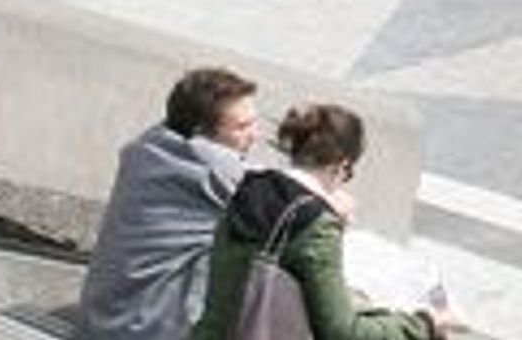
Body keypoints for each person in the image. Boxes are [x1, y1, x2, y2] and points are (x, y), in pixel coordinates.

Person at [189, 104, 457, 340]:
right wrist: (424, 324)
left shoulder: (250, 188)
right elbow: (342, 333)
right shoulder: (315, 228)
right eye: (348, 174)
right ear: (340, 166)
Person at [78, 67, 260, 340]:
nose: (254, 135)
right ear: (202, 132)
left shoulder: (148, 146)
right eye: (241, 127)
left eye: (254, 123)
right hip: (149, 330)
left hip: (100, 319)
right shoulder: (211, 168)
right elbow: (289, 207)